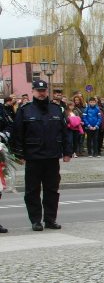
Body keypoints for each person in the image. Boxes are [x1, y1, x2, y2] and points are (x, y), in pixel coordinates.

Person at [10, 80, 73, 231]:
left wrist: (67, 152)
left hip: (52, 156)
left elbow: (65, 132)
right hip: (33, 156)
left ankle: (50, 219)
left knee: (52, 190)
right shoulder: (25, 110)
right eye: (38, 91)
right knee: (32, 191)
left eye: (44, 90)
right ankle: (36, 220)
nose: (41, 93)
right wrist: (18, 154)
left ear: (47, 91)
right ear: (33, 91)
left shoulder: (56, 109)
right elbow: (17, 134)